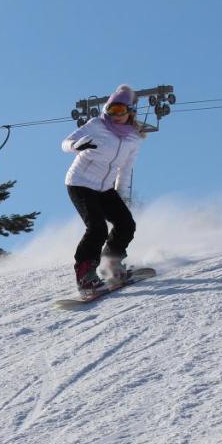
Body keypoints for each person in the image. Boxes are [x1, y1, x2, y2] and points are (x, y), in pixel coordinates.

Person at [60, 84, 148, 297]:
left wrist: (122, 195)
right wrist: (76, 146)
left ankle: (112, 264)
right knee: (97, 228)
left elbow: (125, 169)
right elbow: (65, 143)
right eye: (111, 110)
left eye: (120, 111)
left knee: (126, 223)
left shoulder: (133, 139)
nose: (115, 115)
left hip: (105, 187)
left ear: (130, 112)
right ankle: (85, 276)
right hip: (80, 182)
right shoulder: (97, 124)